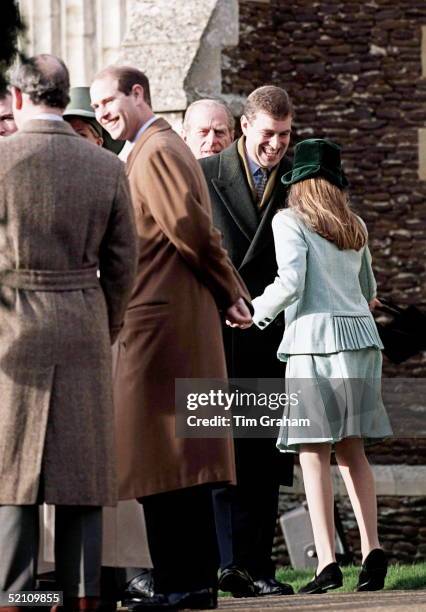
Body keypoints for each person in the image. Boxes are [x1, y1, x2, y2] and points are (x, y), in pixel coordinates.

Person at [90, 65, 252, 611]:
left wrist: (230, 288)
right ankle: (191, 583)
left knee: (163, 459)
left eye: (109, 100)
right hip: (167, 321)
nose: (102, 113)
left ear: (139, 94)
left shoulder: (155, 148)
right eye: (96, 105)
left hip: (159, 327)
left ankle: (184, 584)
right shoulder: (153, 146)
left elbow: (187, 227)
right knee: (172, 461)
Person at [0, 54, 137, 612]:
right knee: (82, 473)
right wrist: (104, 322)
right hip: (82, 318)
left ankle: (13, 598)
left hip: (11, 325)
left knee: (13, 471)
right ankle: (83, 598)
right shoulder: (106, 166)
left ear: (17, 98)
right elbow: (125, 262)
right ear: (66, 98)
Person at [251, 138, 393, 594]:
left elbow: (290, 282)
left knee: (312, 453)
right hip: (362, 341)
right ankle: (372, 552)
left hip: (315, 344)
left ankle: (326, 562)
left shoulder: (288, 220)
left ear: (298, 183)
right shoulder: (355, 225)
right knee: (353, 451)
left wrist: (252, 312)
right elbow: (369, 291)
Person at [199, 85, 294, 598]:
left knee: (265, 460)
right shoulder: (206, 173)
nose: (276, 145)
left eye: (283, 135)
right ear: (245, 128)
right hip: (217, 331)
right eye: (267, 134)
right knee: (218, 453)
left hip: (273, 334)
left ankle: (261, 567)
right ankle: (224, 565)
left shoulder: (298, 176)